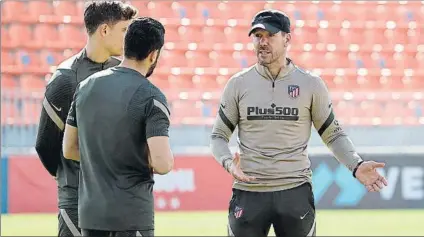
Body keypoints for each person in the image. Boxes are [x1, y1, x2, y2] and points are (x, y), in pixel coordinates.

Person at [210, 9, 388, 237]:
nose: (262, 43)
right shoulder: (238, 84)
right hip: (249, 192)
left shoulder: (310, 84)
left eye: (269, 36)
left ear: (287, 38)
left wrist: (356, 165)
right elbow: (218, 137)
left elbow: (332, 134)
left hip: (294, 193)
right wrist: (228, 163)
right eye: (257, 36)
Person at [62, 17, 173, 237]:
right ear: (153, 54)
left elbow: (69, 149)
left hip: (91, 215)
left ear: (125, 47)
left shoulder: (85, 87)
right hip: (131, 216)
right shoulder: (151, 96)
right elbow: (162, 164)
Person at [34, 1, 137, 236]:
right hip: (77, 201)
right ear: (104, 31)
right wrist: (70, 180)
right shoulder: (65, 79)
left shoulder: (124, 72)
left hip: (118, 199)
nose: (128, 38)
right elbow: (44, 144)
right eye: (124, 31)